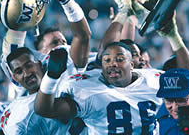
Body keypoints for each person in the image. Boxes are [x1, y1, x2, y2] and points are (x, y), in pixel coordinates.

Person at [34, 41, 164, 134]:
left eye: (119, 59)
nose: (112, 64)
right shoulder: (86, 89)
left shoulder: (154, 80)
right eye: (107, 60)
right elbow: (45, 110)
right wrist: (51, 77)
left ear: (131, 64)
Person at [0, 0, 92, 95]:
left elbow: (83, 37)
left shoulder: (73, 64)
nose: (62, 46)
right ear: (40, 57)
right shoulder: (26, 75)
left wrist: (67, 1)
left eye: (63, 42)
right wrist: (23, 11)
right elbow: (12, 53)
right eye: (55, 43)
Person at [0, 47, 86, 134]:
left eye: (29, 66)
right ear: (15, 78)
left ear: (39, 64)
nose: (27, 74)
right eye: (19, 72)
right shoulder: (13, 108)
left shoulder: (64, 87)